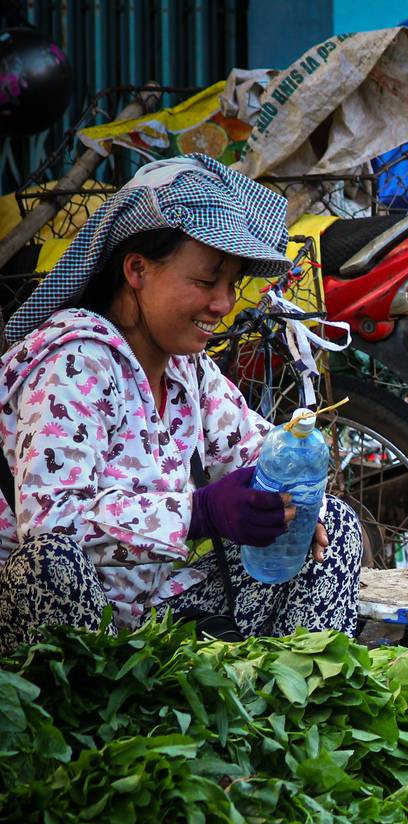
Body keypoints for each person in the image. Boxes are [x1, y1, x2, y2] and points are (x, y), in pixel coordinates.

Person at [0, 154, 364, 651]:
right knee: (53, 565)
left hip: (156, 614)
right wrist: (198, 514)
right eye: (205, 281)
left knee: (334, 525)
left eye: (231, 285)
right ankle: (95, 714)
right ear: (137, 270)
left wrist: (290, 499)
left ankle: (295, 698)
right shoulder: (73, 364)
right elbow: (52, 526)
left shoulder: (184, 365)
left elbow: (252, 450)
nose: (223, 304)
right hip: (65, 627)